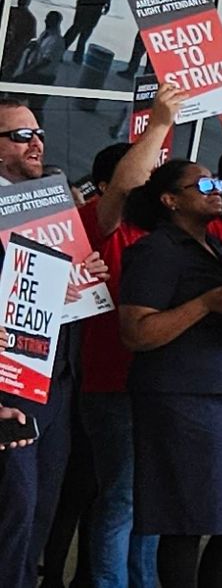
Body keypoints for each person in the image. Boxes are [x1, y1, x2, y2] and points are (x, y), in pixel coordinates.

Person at [118, 159, 222, 588]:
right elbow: (136, 332)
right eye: (202, 185)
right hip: (182, 401)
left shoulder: (216, 248)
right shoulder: (155, 251)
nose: (216, 189)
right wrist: (203, 304)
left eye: (217, 182)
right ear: (170, 199)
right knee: (186, 521)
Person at [78, 87, 185, 588]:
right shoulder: (104, 227)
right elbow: (124, 188)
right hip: (114, 384)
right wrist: (160, 124)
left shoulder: (168, 237)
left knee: (151, 499)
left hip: (165, 387)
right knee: (121, 498)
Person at [0, 97, 107, 587]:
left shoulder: (50, 206)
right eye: (20, 135)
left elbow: (55, 292)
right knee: (13, 518)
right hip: (10, 389)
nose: (36, 142)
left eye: (37, 132)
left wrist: (83, 278)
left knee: (39, 512)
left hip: (56, 383)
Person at [118, 0, 178, 77]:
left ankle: (132, 71)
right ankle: (144, 74)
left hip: (150, 26)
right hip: (159, 28)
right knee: (152, 55)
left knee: (140, 51)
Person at [13, 9, 66, 86]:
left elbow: (46, 61)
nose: (46, 21)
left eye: (49, 19)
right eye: (46, 18)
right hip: (33, 72)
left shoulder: (56, 40)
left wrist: (26, 73)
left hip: (43, 77)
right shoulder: (45, 34)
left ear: (56, 22)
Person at [3, 0, 35, 77]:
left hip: (14, 54)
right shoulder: (9, 10)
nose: (20, 0)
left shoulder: (30, 19)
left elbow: (28, 40)